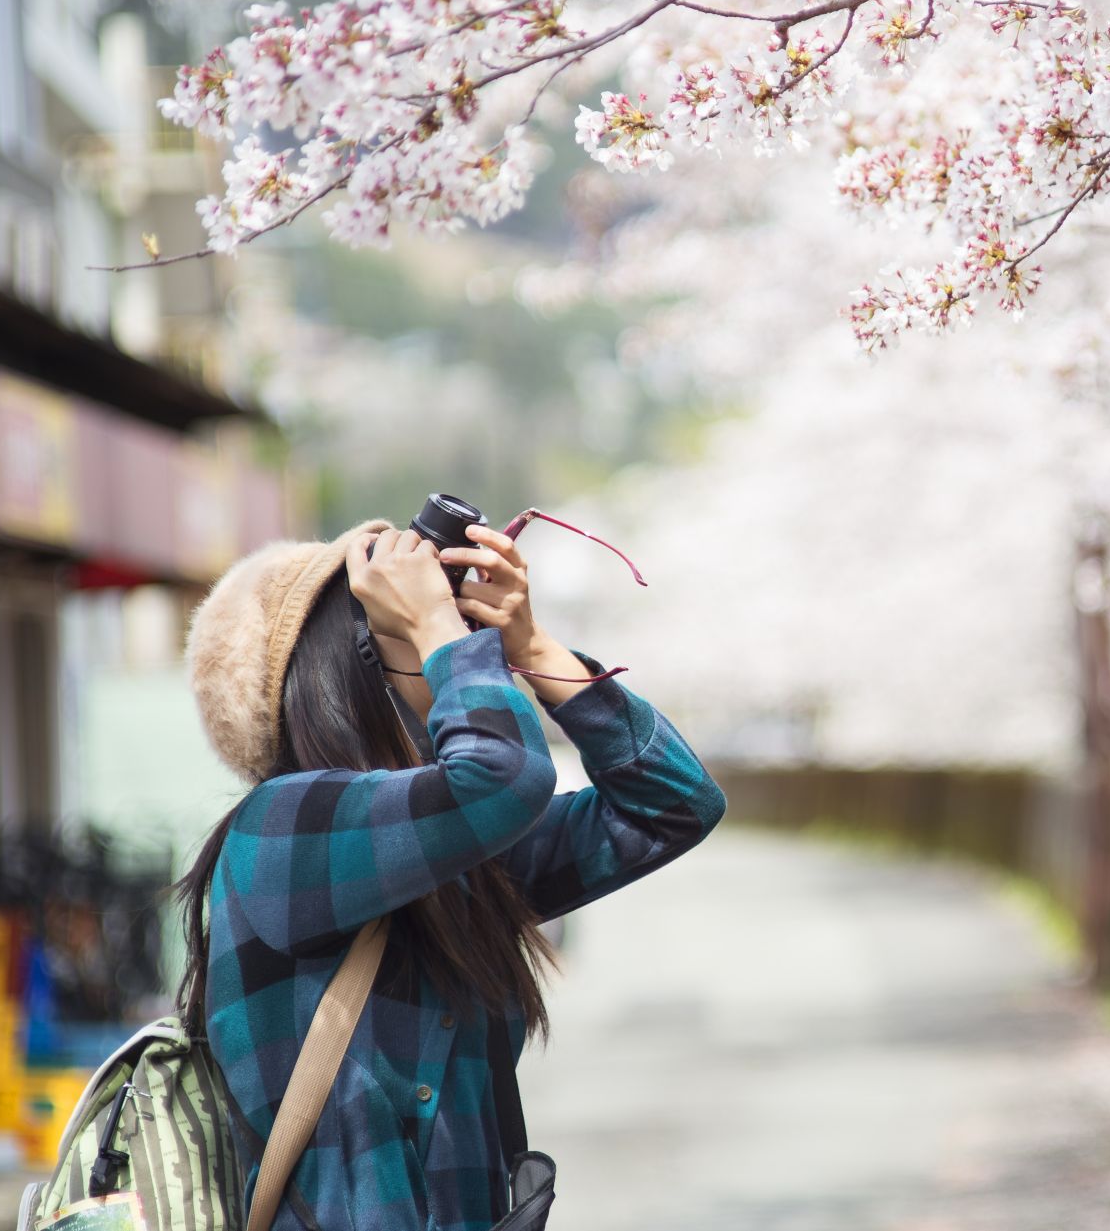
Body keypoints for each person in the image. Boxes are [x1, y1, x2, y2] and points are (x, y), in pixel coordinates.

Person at [170, 517, 727, 1231]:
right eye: (419, 632)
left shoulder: (455, 861)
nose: (460, 654)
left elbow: (675, 804)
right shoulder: (279, 830)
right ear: (348, 667)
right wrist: (442, 627)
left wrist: (533, 646)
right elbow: (505, 777)